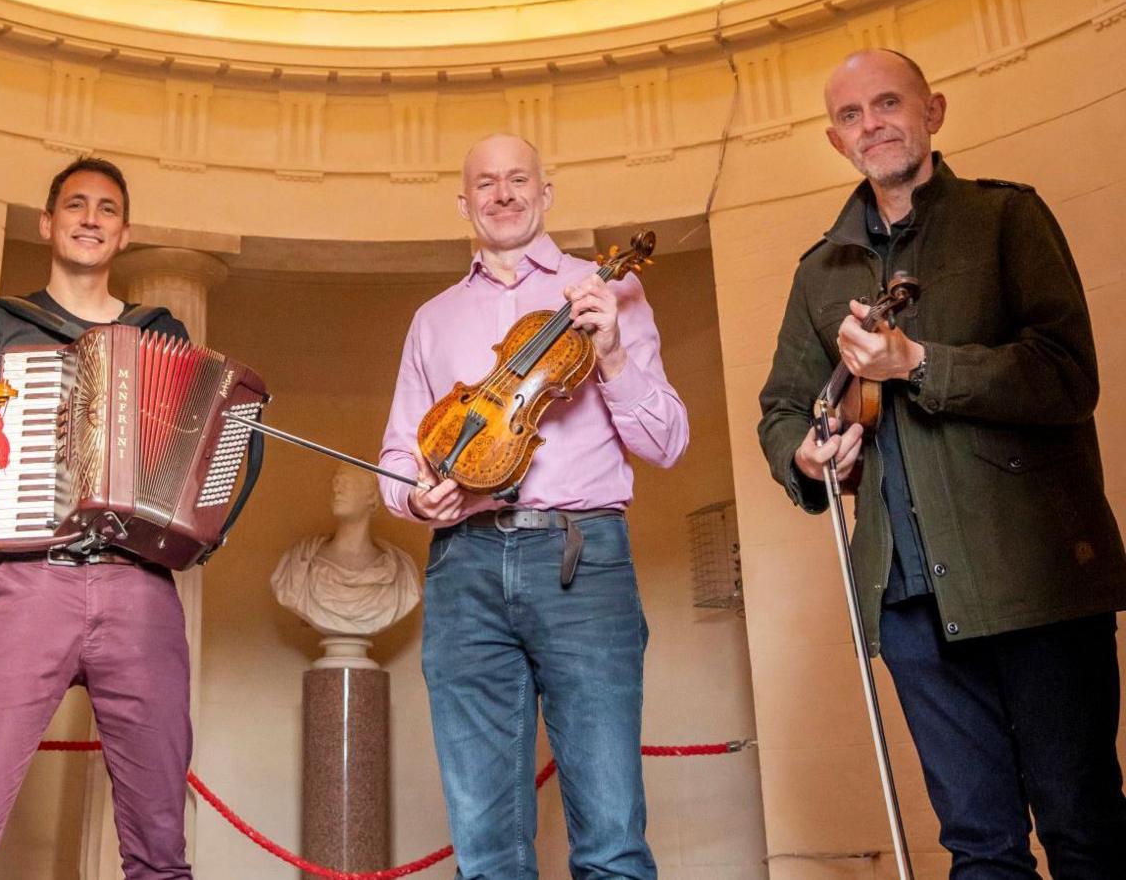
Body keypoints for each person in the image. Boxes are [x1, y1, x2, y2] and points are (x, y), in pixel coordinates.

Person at [758, 49, 1126, 877]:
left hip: (1034, 578)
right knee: (978, 845)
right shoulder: (819, 273)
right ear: (834, 138)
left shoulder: (1007, 218)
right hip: (908, 598)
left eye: (888, 103)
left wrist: (920, 363)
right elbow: (784, 406)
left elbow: (1067, 375)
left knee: (1085, 826)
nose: (872, 124)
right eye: (851, 115)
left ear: (935, 110)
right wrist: (806, 451)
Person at [378, 133, 687, 879]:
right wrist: (418, 497)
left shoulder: (605, 290)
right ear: (465, 202)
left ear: (547, 191)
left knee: (611, 836)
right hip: (465, 564)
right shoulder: (434, 318)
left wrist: (610, 352)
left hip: (582, 556)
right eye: (486, 182)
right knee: (485, 850)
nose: (504, 193)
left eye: (519, 179)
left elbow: (668, 441)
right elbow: (394, 460)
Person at [0, 157, 193, 879]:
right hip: (26, 584)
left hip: (139, 590)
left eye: (106, 208)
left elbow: (189, 470)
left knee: (161, 846)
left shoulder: (160, 333)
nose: (90, 218)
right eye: (75, 204)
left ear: (124, 233)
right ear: (48, 222)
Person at [270, 464, 421, 637]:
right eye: (335, 483)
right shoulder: (299, 562)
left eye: (346, 483)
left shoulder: (402, 571)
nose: (337, 490)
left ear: (372, 496)